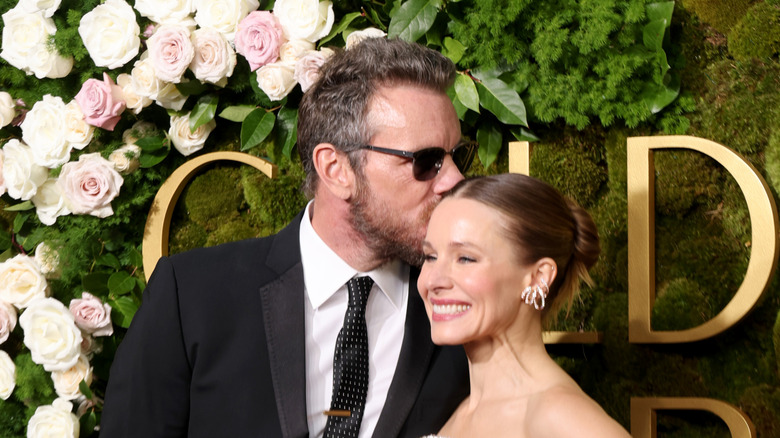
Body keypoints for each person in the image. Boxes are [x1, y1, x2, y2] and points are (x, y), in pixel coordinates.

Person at [100, 38, 472, 437]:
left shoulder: (469, 305)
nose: (455, 180)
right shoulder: (192, 296)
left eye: (457, 156)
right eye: (426, 161)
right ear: (336, 169)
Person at [418, 174, 631, 438]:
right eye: (430, 256)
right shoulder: (460, 411)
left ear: (538, 276)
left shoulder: (562, 418)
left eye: (465, 258)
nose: (433, 281)